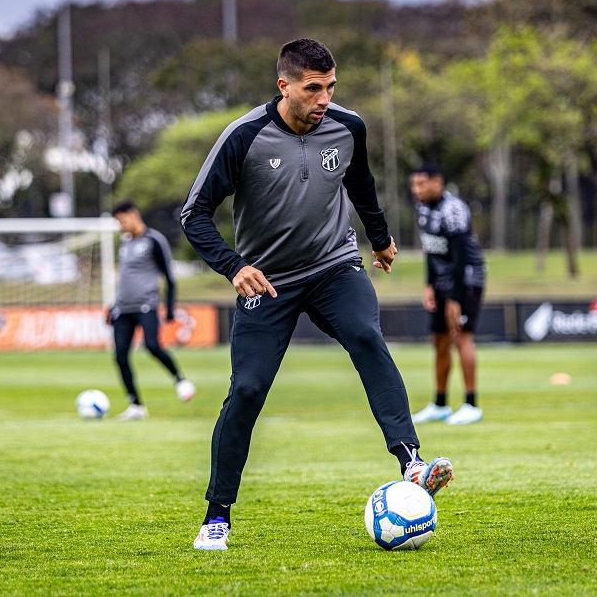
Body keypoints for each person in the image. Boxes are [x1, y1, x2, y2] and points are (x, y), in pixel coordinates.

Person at [180, 38, 453, 551]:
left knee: (365, 336)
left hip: (334, 267)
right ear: (284, 86)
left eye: (330, 87)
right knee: (247, 391)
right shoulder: (244, 136)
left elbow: (361, 183)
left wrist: (380, 237)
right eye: (312, 88)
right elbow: (193, 215)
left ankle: (412, 461)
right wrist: (233, 266)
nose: (323, 98)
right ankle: (217, 514)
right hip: (268, 282)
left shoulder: (348, 127)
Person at [408, 163, 486, 425]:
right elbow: (431, 250)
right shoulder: (421, 208)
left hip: (466, 279)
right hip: (442, 281)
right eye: (414, 184)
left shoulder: (454, 209)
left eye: (421, 184)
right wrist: (429, 284)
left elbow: (461, 257)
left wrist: (454, 298)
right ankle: (440, 404)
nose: (416, 189)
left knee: (460, 336)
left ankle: (471, 404)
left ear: (437, 183)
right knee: (439, 339)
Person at [106, 201, 195, 421]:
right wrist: (113, 306)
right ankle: (135, 405)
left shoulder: (154, 240)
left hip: (146, 305)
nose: (120, 226)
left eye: (121, 221)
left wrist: (170, 308)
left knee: (152, 346)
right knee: (120, 355)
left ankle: (180, 380)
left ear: (133, 215)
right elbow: (126, 278)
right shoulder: (124, 243)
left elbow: (169, 277)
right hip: (123, 308)